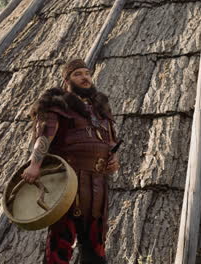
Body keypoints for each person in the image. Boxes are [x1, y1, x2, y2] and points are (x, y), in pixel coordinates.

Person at [21, 58, 120, 264]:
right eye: (78, 74)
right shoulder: (58, 104)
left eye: (87, 73)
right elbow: (44, 137)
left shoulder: (100, 107)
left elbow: (110, 141)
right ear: (67, 79)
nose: (85, 77)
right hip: (68, 183)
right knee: (61, 241)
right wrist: (34, 165)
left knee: (95, 243)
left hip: (98, 184)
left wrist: (114, 159)